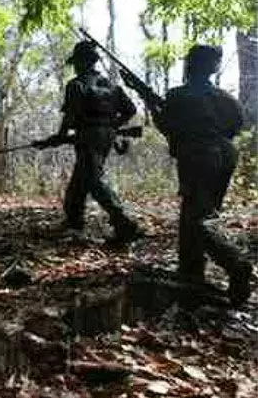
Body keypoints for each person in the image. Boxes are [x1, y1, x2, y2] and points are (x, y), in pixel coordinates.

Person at [121, 45, 251, 307]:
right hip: (226, 155)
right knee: (201, 213)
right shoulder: (225, 98)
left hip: (199, 157)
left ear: (191, 65)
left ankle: (234, 262)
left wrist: (148, 99)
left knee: (197, 219)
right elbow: (236, 127)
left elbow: (166, 126)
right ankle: (191, 272)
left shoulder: (178, 95)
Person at [54, 41, 142, 244]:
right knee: (81, 178)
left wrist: (60, 136)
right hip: (106, 137)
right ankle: (74, 220)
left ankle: (125, 223)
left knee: (94, 180)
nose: (75, 67)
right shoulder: (111, 85)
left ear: (84, 62)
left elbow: (70, 116)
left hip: (88, 137)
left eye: (77, 62)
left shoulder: (76, 85)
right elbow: (130, 110)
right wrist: (110, 126)